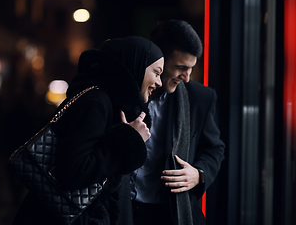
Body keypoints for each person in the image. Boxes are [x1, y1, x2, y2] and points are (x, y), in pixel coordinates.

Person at [12, 36, 164, 225]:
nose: (159, 83)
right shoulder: (97, 102)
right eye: (156, 73)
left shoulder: (111, 104)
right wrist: (129, 139)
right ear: (136, 66)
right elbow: (73, 171)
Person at [130, 20, 225, 225]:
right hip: (125, 210)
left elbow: (214, 149)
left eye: (191, 68)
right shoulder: (125, 94)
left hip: (171, 214)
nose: (187, 78)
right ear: (158, 59)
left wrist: (198, 174)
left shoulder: (201, 98)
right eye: (181, 68)